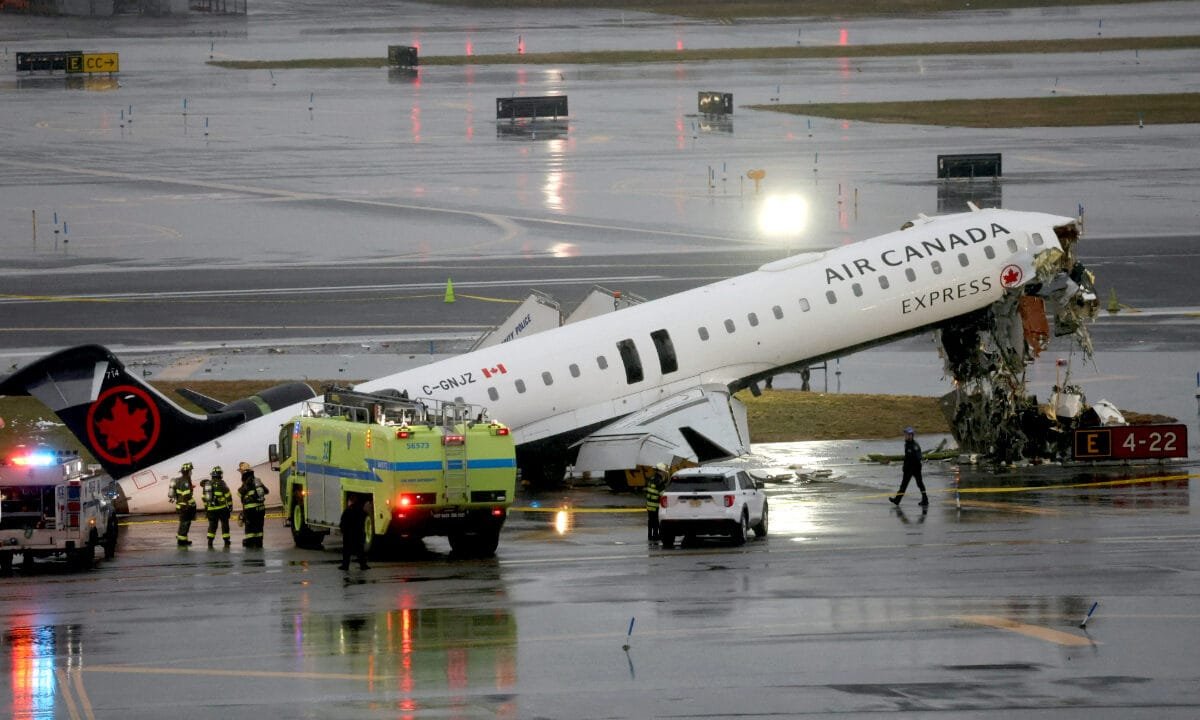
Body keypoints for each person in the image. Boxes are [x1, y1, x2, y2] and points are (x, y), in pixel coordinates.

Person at [889, 427, 929, 507]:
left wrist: (916, 466)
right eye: (905, 434)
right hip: (908, 469)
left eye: (907, 435)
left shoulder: (915, 446)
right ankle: (897, 500)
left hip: (915, 468)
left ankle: (925, 500)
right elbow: (907, 457)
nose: (906, 436)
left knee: (920, 484)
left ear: (911, 435)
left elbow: (919, 457)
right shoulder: (907, 444)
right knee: (903, 485)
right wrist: (904, 466)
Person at [237, 461, 269, 548]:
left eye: (241, 472)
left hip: (250, 510)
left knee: (249, 527)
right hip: (261, 509)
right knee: (259, 527)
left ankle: (250, 544)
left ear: (244, 472)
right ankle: (259, 543)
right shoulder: (257, 481)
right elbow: (266, 491)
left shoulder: (246, 483)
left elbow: (239, 494)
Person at [202, 466, 234, 548]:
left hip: (211, 509)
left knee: (212, 525)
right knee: (225, 524)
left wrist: (206, 509)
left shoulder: (207, 484)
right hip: (222, 508)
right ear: (220, 475)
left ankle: (210, 541)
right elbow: (228, 496)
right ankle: (226, 541)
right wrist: (230, 506)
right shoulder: (222, 483)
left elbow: (204, 498)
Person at [167, 462, 197, 546]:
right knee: (185, 523)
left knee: (183, 523)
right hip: (185, 506)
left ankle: (182, 539)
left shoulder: (178, 480)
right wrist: (191, 504)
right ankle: (182, 541)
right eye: (190, 470)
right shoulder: (186, 481)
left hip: (180, 505)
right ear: (187, 471)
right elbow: (187, 495)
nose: (191, 472)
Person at [338, 495, 370, 570]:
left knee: (346, 551)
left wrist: (343, 531)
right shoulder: (361, 511)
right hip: (358, 533)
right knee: (360, 550)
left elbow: (342, 523)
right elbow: (365, 518)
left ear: (350, 501)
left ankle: (345, 565)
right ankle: (363, 565)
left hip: (348, 534)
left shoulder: (347, 510)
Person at [645, 463, 667, 542]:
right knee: (656, 521)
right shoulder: (659, 481)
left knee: (650, 521)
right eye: (663, 471)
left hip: (649, 505)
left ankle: (650, 535)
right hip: (655, 505)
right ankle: (655, 535)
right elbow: (663, 495)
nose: (664, 473)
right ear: (660, 471)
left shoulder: (652, 478)